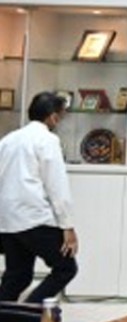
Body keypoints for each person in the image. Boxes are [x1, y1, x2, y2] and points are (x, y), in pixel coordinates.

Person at [0, 92, 78, 303]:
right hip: (35, 218)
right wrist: (67, 227)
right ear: (53, 117)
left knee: (17, 276)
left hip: (8, 220)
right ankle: (29, 314)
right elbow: (56, 186)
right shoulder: (48, 140)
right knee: (65, 268)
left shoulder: (8, 140)